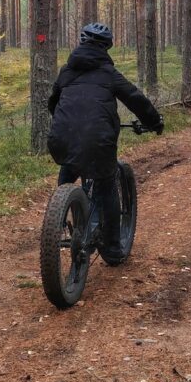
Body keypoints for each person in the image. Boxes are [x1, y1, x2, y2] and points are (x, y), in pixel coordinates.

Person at [47, 23, 163, 263]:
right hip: (98, 143)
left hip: (61, 138)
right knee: (107, 185)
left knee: (68, 168)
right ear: (106, 47)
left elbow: (52, 104)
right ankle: (111, 249)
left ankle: (57, 222)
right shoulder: (109, 74)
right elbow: (135, 99)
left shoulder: (66, 71)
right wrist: (154, 121)